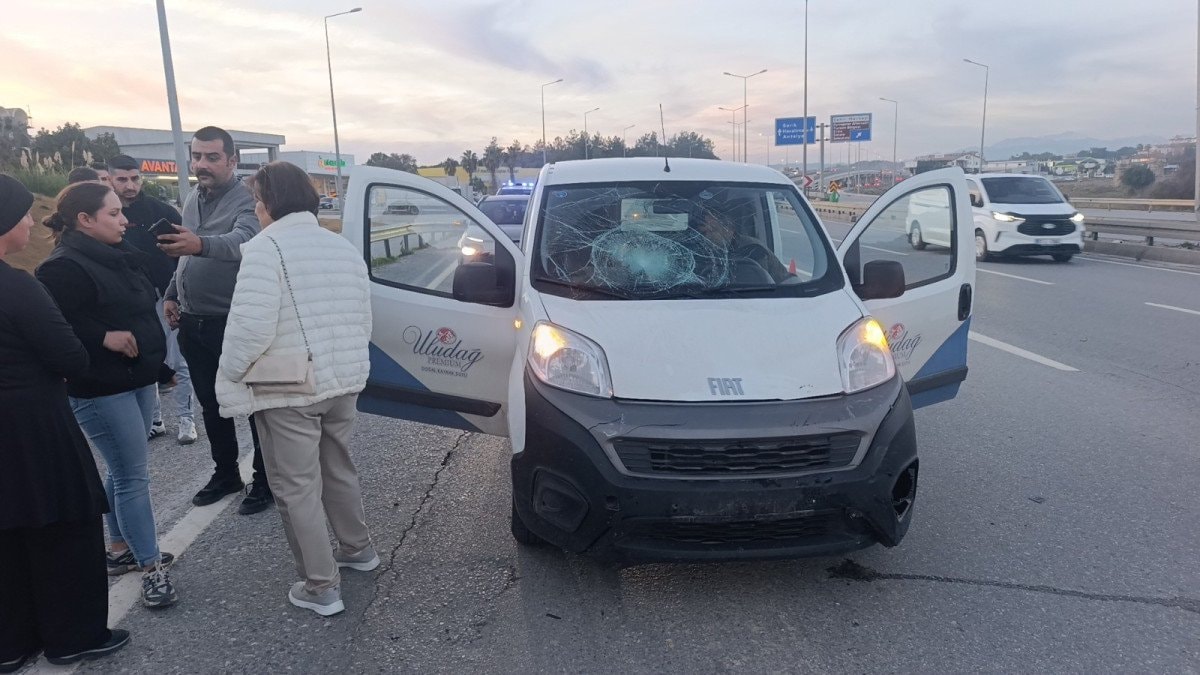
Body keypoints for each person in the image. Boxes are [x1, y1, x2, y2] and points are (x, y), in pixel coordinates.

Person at [216, 161, 376, 617]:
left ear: (269, 203)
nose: (256, 208)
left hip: (288, 388)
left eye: (257, 200)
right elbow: (363, 318)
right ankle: (357, 549)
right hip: (341, 381)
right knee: (338, 468)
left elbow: (249, 329)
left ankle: (321, 586)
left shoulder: (265, 249)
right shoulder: (342, 248)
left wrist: (229, 374)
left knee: (296, 486)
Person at [0, 175, 131, 670]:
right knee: (63, 527)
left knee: (7, 537)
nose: (30, 222)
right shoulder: (17, 287)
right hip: (32, 427)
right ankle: (72, 635)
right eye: (22, 214)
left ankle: (11, 643)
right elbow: (70, 356)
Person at [35, 181, 178, 609]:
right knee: (132, 476)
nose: (124, 220)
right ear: (84, 219)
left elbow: (137, 313)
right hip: (101, 387)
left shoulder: (116, 254)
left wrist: (158, 366)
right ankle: (151, 568)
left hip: (137, 376)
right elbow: (51, 327)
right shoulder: (62, 268)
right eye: (113, 214)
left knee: (122, 468)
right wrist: (102, 337)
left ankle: (119, 548)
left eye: (121, 212)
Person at [158, 126, 273, 515]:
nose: (201, 164)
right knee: (212, 404)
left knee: (255, 405)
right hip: (193, 322)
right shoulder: (193, 197)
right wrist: (173, 293)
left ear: (232, 160)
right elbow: (185, 255)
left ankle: (265, 479)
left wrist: (200, 244)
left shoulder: (247, 199)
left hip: (233, 322)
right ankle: (226, 473)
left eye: (212, 157)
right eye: (196, 156)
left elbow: (244, 241)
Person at [107, 154, 196, 444]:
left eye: (135, 178)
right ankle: (154, 420)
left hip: (164, 296)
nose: (130, 185)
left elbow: (187, 251)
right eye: (122, 179)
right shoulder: (104, 215)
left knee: (177, 360)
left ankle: (186, 418)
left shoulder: (161, 210)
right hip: (126, 300)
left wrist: (176, 291)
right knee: (143, 359)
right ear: (110, 179)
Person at [695, 207, 791, 283]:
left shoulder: (753, 250)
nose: (706, 236)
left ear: (729, 229)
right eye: (703, 231)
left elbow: (758, 288)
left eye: (712, 230)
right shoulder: (697, 248)